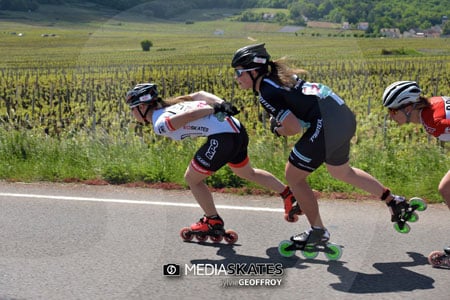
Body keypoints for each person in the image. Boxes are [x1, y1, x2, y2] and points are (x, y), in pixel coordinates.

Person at [230, 43, 411, 246]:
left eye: (239, 72)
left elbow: (294, 128)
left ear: (254, 72)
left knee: (293, 177)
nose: (236, 78)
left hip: (327, 123)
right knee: (341, 171)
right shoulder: (278, 78)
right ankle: (393, 200)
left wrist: (278, 129)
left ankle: (318, 231)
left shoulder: (266, 91)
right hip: (343, 116)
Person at [125, 83, 302, 241]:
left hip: (224, 138)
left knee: (192, 179)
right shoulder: (174, 104)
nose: (132, 113)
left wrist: (215, 109)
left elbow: (189, 115)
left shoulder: (159, 122)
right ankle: (288, 194)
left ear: (141, 107)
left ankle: (212, 220)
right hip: (236, 130)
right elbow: (200, 94)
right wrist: (222, 104)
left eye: (132, 109)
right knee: (246, 172)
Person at [382, 81, 450, 257]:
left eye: (393, 111)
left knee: (446, 188)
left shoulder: (433, 122)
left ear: (409, 108)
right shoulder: (433, 105)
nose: (390, 116)